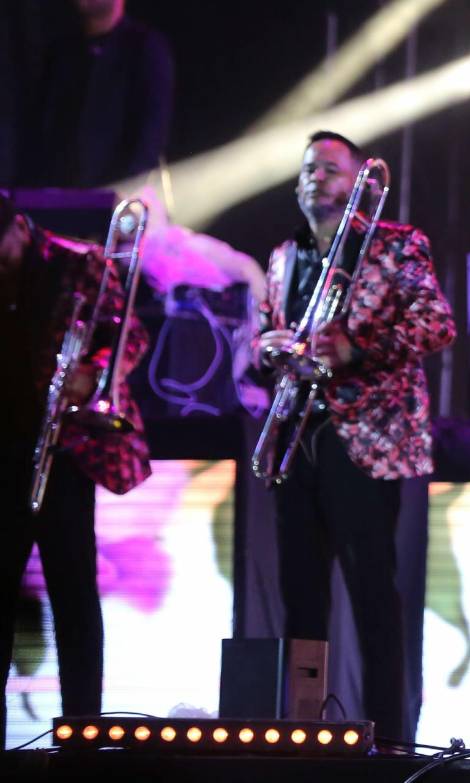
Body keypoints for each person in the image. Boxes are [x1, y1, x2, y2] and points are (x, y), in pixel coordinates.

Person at [256, 131, 454, 742]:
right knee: (301, 599)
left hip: (365, 439)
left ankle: (390, 740)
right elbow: (271, 328)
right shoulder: (283, 256)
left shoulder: (395, 244)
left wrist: (357, 348)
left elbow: (437, 324)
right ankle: (304, 733)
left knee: (373, 597)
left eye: (331, 169)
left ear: (357, 182)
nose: (316, 178)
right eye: (308, 169)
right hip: (298, 434)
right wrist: (268, 347)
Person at [0, 190, 151, 746]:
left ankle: (82, 734)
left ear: (20, 228)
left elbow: (128, 335)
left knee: (74, 593)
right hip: (6, 444)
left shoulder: (79, 263)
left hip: (64, 443)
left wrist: (93, 373)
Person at [33, 0, 174, 187]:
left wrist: (126, 188)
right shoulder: (62, 52)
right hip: (62, 194)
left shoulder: (145, 47)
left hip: (120, 194)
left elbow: (151, 133)